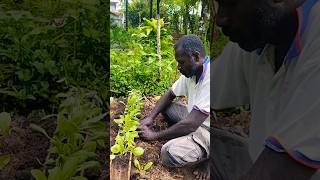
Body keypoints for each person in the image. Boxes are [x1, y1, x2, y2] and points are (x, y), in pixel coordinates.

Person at [212, 0, 320, 179]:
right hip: (258, 161)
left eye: (230, 3)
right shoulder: (260, 38)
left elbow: (277, 171)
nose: (220, 19)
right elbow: (209, 87)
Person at [138, 35, 210, 179]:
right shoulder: (192, 72)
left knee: (168, 153)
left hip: (211, 131)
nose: (178, 67)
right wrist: (150, 118)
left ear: (195, 57)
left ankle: (209, 160)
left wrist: (155, 136)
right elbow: (170, 94)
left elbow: (190, 125)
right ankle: (184, 136)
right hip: (196, 118)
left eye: (181, 62)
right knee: (166, 107)